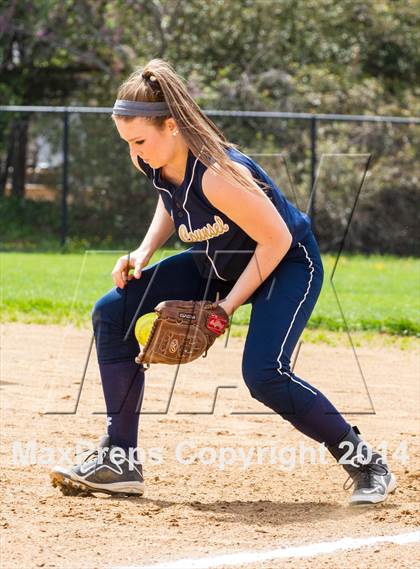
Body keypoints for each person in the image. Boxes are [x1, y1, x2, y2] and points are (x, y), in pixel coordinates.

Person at [50, 59, 396, 504]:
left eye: (139, 140)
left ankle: (367, 464)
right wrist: (144, 251)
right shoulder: (152, 159)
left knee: (264, 374)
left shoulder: (219, 175)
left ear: (171, 126)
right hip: (219, 260)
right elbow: (171, 201)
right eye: (128, 142)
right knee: (113, 311)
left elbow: (276, 240)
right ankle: (120, 459)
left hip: (287, 263)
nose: (135, 152)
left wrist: (225, 308)